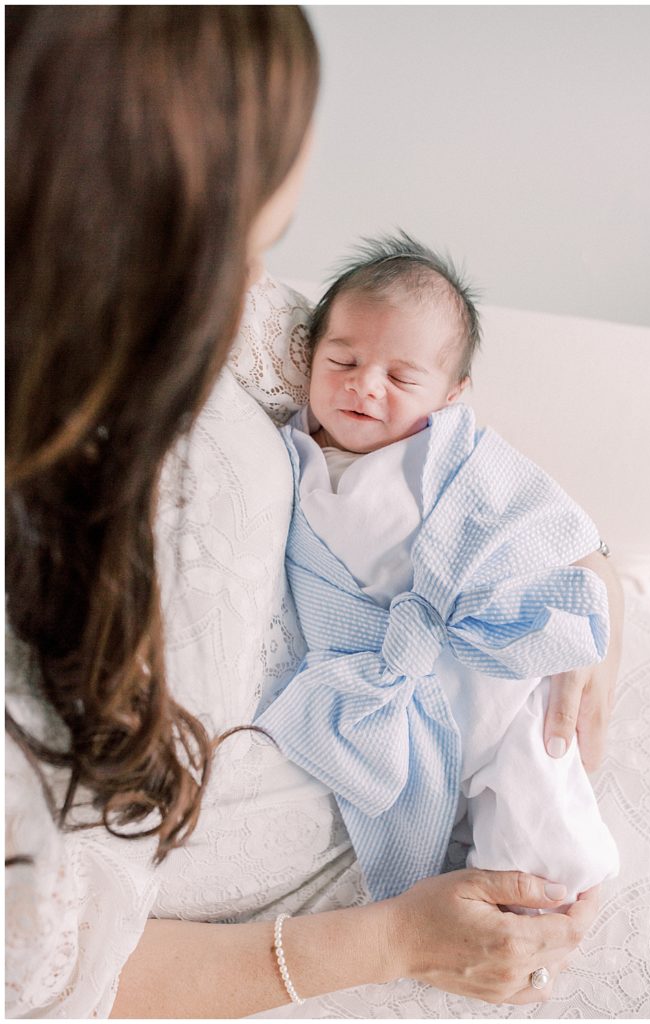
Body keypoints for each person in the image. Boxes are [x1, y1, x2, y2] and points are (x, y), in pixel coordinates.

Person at [5, 7, 618, 1018]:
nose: (258, 284)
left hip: (453, 740)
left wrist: (582, 580)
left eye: (264, 239)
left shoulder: (225, 309)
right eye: (237, 235)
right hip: (307, 932)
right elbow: (50, 972)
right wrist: (394, 940)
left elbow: (434, 429)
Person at [257, 233, 621, 907]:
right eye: (343, 359)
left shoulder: (453, 455)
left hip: (499, 667)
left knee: (536, 786)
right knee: (420, 808)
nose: (365, 385)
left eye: (400, 378)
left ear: (451, 394)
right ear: (309, 357)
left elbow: (539, 518)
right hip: (396, 686)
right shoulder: (288, 454)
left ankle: (551, 897)